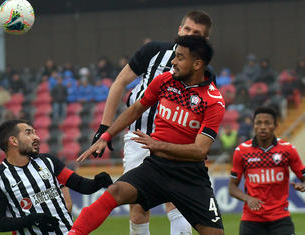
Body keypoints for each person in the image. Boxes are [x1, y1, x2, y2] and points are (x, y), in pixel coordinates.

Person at [70, 35, 225, 235]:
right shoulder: (165, 81)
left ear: (197, 64)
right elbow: (135, 110)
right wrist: (105, 136)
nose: (173, 62)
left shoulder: (213, 101)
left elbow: (199, 150)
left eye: (179, 57)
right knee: (115, 191)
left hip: (190, 177)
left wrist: (158, 145)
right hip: (156, 169)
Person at [0, 119, 113, 234]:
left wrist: (98, 182)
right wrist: (34, 219)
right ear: (13, 141)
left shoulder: (48, 161)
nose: (36, 137)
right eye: (29, 133)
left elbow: (82, 186)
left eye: (35, 132)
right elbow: (1, 224)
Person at [228, 106, 305, 235]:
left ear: (276, 125)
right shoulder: (241, 151)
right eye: (259, 123)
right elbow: (232, 187)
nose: (262, 127)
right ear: (253, 125)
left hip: (280, 218)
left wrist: (303, 185)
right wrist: (247, 198)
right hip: (251, 220)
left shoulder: (288, 150)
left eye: (267, 123)